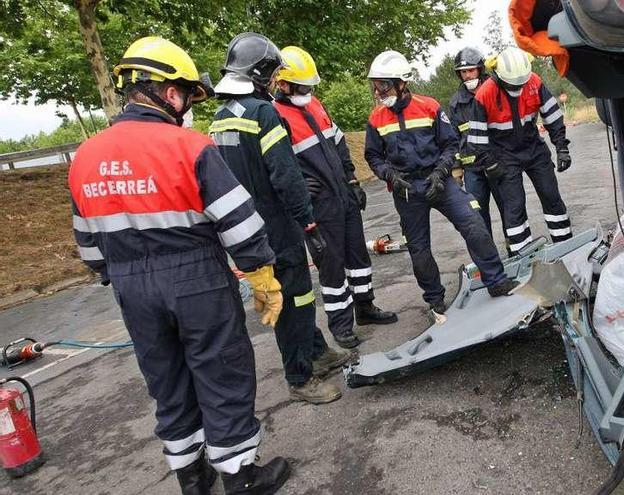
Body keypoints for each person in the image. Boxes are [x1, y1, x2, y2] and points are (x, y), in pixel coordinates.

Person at [70, 36, 290, 494]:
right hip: (196, 282)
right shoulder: (188, 145)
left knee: (167, 379)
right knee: (220, 371)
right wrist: (262, 274)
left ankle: (192, 479)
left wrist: (121, 276)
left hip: (132, 288)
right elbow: (240, 223)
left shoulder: (85, 156)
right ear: (168, 92)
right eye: (188, 94)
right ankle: (241, 477)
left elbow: (89, 247)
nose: (188, 105)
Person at [210, 33, 345, 404]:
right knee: (296, 297)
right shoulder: (263, 112)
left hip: (247, 225)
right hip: (277, 225)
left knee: (292, 296)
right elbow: (286, 175)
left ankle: (317, 352)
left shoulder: (220, 117)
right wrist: (309, 224)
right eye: (271, 74)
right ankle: (301, 376)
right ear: (261, 73)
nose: (274, 82)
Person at [363, 50, 519, 317]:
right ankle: (435, 299)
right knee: (418, 249)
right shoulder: (376, 119)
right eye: (375, 85)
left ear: (402, 83)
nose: (378, 91)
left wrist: (441, 171)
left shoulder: (429, 106)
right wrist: (390, 176)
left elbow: (449, 144)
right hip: (407, 190)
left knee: (473, 222)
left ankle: (496, 280)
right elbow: (373, 156)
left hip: (439, 180)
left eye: (383, 85)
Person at [272, 46, 397, 348]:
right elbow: (278, 163)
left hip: (341, 192)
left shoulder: (316, 105)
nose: (308, 91)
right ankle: (340, 325)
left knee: (357, 254)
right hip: (318, 202)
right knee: (331, 262)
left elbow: (339, 143)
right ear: (283, 84)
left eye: (310, 86)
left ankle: (364, 308)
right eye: (302, 86)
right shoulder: (275, 116)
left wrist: (352, 179)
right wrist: (301, 186)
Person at [467, 46, 574, 255]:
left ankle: (566, 247)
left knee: (551, 196)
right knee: (514, 207)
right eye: (512, 84)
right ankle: (523, 256)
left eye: (521, 83)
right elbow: (477, 139)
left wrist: (561, 148)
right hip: (503, 154)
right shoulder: (484, 94)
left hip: (533, 148)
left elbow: (552, 117)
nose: (517, 88)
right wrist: (489, 163)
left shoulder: (533, 81)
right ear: (498, 76)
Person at [448, 47, 506, 241]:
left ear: (480, 70)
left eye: (471, 70)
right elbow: (454, 139)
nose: (467, 75)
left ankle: (515, 249)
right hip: (473, 170)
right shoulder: (456, 103)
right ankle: (491, 258)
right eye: (463, 72)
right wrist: (456, 174)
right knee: (477, 216)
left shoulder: (496, 90)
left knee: (509, 210)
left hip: (498, 164)